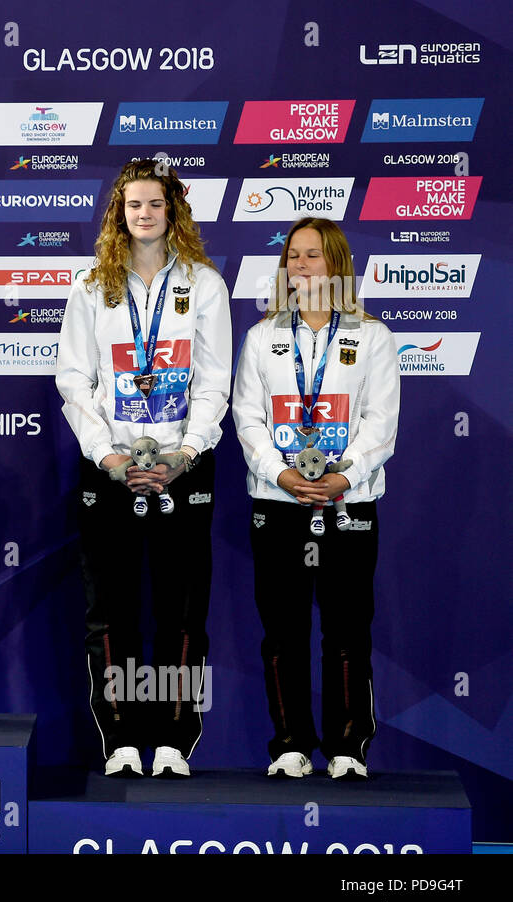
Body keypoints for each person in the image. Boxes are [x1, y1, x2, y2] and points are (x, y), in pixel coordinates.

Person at [56, 159, 231, 776]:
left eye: (156, 204)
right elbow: (75, 381)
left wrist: (186, 454)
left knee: (182, 613)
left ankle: (174, 742)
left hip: (184, 469)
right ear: (119, 212)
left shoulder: (205, 285)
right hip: (110, 469)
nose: (145, 214)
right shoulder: (91, 285)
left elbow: (214, 383)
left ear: (173, 210)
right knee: (111, 613)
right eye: (134, 204)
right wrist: (108, 455)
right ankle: (123, 738)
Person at [233, 218, 399, 780]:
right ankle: (289, 746)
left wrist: (341, 478)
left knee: (348, 629)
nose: (300, 266)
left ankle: (348, 748)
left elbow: (381, 423)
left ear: (337, 265)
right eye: (293, 257)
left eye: (313, 256)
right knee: (282, 632)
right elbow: (248, 419)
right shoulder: (261, 338)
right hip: (277, 504)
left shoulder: (372, 337)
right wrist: (282, 475)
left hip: (347, 505)